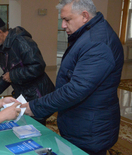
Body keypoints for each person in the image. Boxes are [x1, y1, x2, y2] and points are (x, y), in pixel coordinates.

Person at [21, 0, 124, 155]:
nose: (63, 26)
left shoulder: (98, 43)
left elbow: (75, 89)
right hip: (81, 122)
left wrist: (34, 107)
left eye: (67, 20)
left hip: (91, 128)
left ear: (84, 16)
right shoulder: (89, 34)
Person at [0, 17, 55, 125]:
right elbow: (9, 72)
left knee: (36, 125)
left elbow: (37, 66)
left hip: (37, 94)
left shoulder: (22, 41)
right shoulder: (4, 47)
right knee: (25, 124)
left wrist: (12, 75)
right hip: (24, 93)